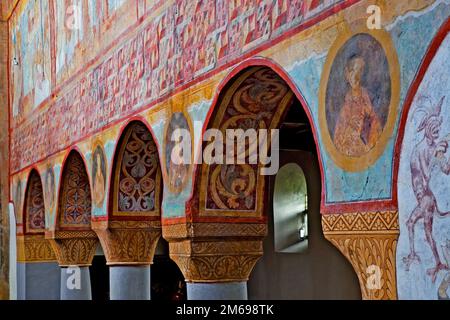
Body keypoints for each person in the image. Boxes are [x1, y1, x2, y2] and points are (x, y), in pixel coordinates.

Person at [333, 56, 382, 157]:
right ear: (347, 74)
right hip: (347, 139)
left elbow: (371, 116)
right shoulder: (347, 97)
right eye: (354, 70)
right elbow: (342, 122)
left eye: (360, 71)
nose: (357, 76)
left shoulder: (364, 94)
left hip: (360, 138)